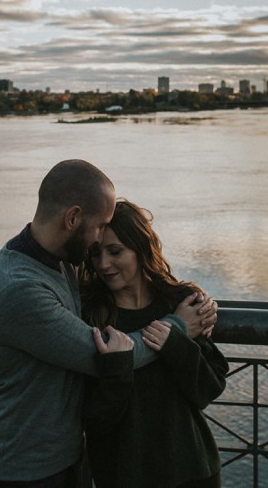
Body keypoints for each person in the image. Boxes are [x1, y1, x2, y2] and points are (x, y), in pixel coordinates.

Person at [0, 160, 217, 487]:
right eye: (99, 227)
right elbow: (106, 356)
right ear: (72, 218)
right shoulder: (19, 289)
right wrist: (179, 328)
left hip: (68, 459)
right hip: (22, 467)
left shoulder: (60, 263)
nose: (98, 256)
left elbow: (209, 382)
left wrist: (200, 308)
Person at [81, 199, 229, 488]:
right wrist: (118, 369)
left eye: (115, 251)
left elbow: (209, 388)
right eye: (96, 254)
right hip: (123, 474)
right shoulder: (91, 314)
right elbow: (94, 417)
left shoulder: (179, 302)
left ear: (140, 248)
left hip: (191, 470)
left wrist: (176, 342)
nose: (103, 264)